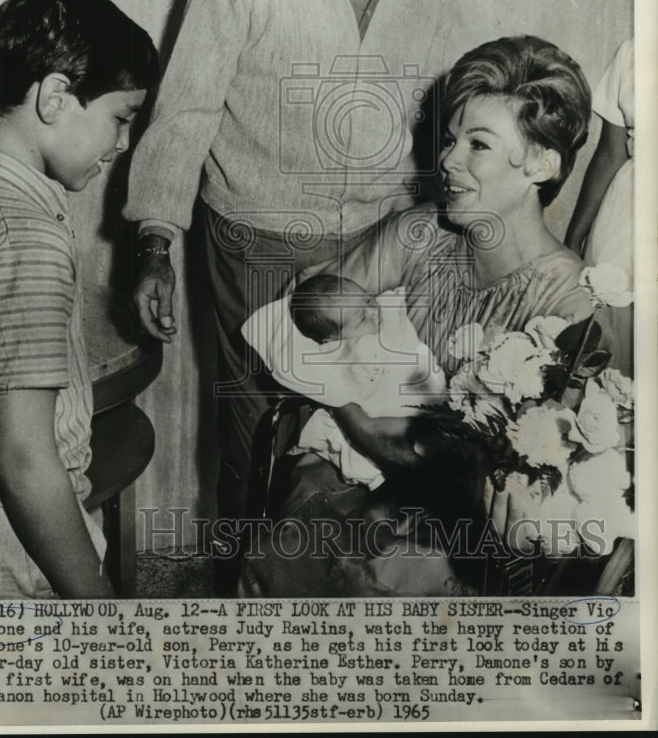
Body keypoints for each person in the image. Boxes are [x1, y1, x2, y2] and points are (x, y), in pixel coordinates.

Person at [126, 0, 462, 527]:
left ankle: (323, 602)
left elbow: (441, 138)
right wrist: (154, 241)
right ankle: (243, 606)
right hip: (256, 240)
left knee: (363, 448)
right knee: (260, 445)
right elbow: (185, 112)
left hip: (373, 252)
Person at [239, 35, 601, 597]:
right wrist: (356, 415)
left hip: (464, 519)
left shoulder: (570, 303)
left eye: (477, 145)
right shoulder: (421, 231)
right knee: (289, 551)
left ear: (541, 163)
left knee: (381, 586)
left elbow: (536, 482)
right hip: (358, 464)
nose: (447, 160)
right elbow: (305, 313)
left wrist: (394, 446)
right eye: (451, 139)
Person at [0, 0, 159, 599]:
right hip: (6, 536)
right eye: (121, 118)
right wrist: (94, 603)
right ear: (56, 98)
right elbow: (22, 458)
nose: (122, 143)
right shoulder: (26, 237)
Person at [243, 274, 445, 489]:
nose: (372, 312)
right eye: (360, 319)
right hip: (381, 418)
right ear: (331, 340)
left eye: (367, 300)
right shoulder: (339, 353)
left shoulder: (385, 316)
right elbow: (347, 389)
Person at [565, 38, 634, 373]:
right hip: (627, 226)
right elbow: (611, 154)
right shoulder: (635, 52)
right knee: (613, 368)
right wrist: (573, 238)